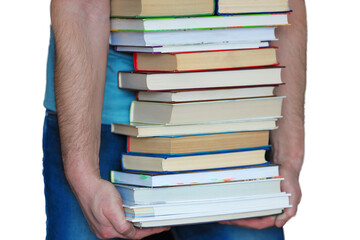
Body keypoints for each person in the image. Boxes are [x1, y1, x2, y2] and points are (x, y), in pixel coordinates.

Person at [42, 0, 307, 239]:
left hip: (234, 129)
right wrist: (83, 174)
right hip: (102, 128)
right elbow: (82, 5)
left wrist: (289, 158)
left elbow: (283, 4)